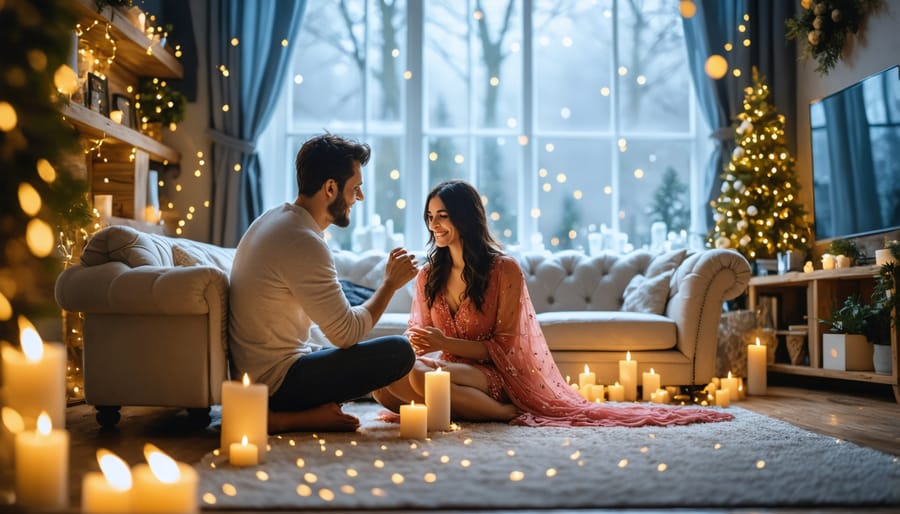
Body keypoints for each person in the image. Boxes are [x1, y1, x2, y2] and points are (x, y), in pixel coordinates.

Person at [374, 179, 733, 427]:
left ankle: (502, 413)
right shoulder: (428, 275)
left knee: (419, 375)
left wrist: (442, 345)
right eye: (430, 216)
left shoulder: (504, 269)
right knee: (382, 385)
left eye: (443, 215)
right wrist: (417, 344)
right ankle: (453, 406)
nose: (434, 224)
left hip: (495, 374)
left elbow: (505, 346)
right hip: (450, 372)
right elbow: (417, 332)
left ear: (465, 218)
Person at [229, 133, 419, 434]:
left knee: (367, 355)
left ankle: (302, 410)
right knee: (399, 351)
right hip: (276, 385)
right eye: (355, 188)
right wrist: (389, 284)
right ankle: (282, 419)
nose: (360, 198)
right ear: (330, 188)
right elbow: (347, 334)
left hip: (255, 378)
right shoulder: (302, 241)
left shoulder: (274, 219)